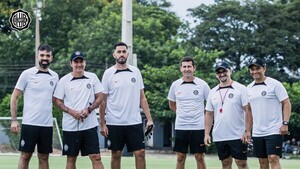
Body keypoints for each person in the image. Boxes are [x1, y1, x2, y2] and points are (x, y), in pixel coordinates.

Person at [100, 42, 153, 169]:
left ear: (127, 54)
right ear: (114, 54)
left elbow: (142, 97)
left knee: (140, 153)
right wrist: (103, 123)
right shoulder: (108, 73)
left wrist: (149, 119)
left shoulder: (135, 71)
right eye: (119, 52)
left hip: (133, 121)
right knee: (116, 154)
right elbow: (103, 101)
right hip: (114, 122)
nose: (121, 54)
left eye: (124, 52)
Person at [10, 44, 59, 169]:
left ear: (51, 58)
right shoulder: (27, 74)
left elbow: (57, 99)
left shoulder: (55, 76)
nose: (45, 58)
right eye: (42, 55)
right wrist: (14, 120)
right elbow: (14, 97)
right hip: (29, 123)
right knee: (25, 156)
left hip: (46, 125)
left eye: (47, 55)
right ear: (37, 56)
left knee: (44, 157)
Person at [53, 51, 104, 169]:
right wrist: (72, 112)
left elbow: (100, 97)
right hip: (70, 126)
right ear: (71, 63)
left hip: (89, 125)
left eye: (81, 61)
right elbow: (57, 101)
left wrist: (89, 109)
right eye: (76, 62)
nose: (79, 64)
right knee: (71, 158)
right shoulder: (64, 80)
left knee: (96, 156)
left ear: (85, 63)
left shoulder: (92, 77)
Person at [204, 61, 252, 169]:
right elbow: (209, 114)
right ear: (216, 74)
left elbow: (248, 111)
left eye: (224, 71)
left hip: (238, 134)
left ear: (230, 71)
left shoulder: (241, 88)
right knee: (225, 163)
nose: (222, 74)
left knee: (241, 163)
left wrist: (247, 131)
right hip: (219, 135)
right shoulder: (212, 92)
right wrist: (207, 134)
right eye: (219, 72)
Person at [247, 58, 291, 169]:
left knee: (273, 158)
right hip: (257, 132)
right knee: (262, 162)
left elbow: (286, 103)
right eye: (252, 69)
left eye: (258, 68)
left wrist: (285, 123)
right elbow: (249, 111)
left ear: (264, 68)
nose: (255, 71)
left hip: (274, 130)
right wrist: (247, 130)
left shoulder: (275, 84)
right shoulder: (248, 88)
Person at [167, 57, 210, 169]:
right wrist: (182, 112)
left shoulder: (203, 85)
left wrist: (201, 114)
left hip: (198, 127)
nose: (187, 69)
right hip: (181, 126)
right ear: (181, 69)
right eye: (184, 67)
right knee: (180, 157)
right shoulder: (175, 85)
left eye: (189, 66)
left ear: (194, 68)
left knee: (199, 157)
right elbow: (172, 104)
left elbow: (210, 105)